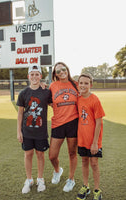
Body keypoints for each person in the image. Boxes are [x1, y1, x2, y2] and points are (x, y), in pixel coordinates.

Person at [17, 65, 52, 194]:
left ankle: (40, 179)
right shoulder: (23, 93)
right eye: (32, 74)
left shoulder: (46, 92)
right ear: (28, 77)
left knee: (40, 154)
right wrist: (18, 131)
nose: (34, 77)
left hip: (41, 131)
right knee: (28, 154)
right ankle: (29, 179)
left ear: (40, 76)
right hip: (27, 131)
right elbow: (20, 113)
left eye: (37, 74)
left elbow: (54, 104)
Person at [49, 62, 79, 192]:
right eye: (58, 71)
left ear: (67, 69)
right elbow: (49, 102)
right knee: (52, 155)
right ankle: (57, 170)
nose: (61, 72)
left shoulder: (76, 85)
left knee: (72, 153)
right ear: (55, 74)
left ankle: (71, 179)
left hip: (73, 123)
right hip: (58, 124)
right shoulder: (52, 86)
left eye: (63, 69)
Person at [76, 73, 105, 200]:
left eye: (86, 83)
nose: (83, 85)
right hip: (82, 138)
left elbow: (99, 122)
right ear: (78, 84)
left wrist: (95, 143)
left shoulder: (95, 100)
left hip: (93, 140)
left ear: (90, 85)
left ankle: (97, 189)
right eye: (81, 83)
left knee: (94, 163)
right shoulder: (78, 98)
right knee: (84, 161)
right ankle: (85, 186)